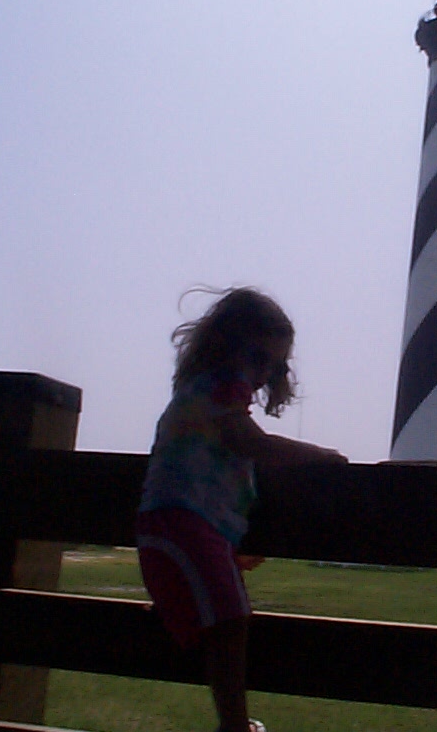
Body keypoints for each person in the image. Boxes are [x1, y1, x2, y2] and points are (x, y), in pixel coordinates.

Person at [137, 287, 347, 732]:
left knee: (226, 620)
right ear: (226, 346)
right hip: (181, 523)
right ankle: (233, 725)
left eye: (275, 365)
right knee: (230, 620)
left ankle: (233, 722)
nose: (264, 372)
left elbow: (222, 473)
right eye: (257, 358)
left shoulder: (206, 394)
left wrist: (231, 542)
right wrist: (319, 457)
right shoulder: (215, 390)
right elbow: (251, 444)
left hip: (186, 526)